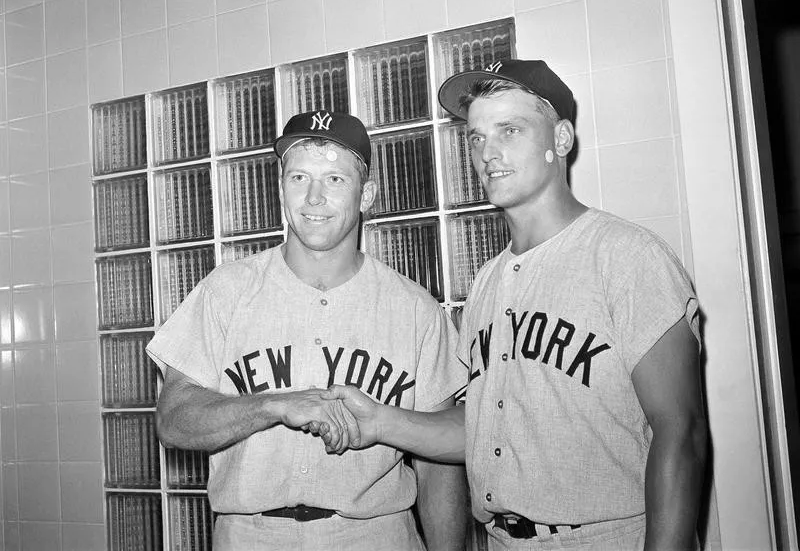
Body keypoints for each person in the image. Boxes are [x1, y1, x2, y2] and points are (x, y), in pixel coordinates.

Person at [318, 60, 709, 550]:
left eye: (510, 130)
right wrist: (380, 422)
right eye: (477, 137)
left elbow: (682, 430)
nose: (488, 152)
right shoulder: (488, 280)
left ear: (561, 140)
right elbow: (479, 428)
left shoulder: (628, 257)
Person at [147, 109, 468, 551]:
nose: (314, 198)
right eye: (299, 178)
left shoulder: (415, 310)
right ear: (281, 188)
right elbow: (174, 419)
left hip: (375, 536)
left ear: (367, 193)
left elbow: (440, 464)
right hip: (249, 537)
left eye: (334, 179)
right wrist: (273, 406)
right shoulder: (225, 292)